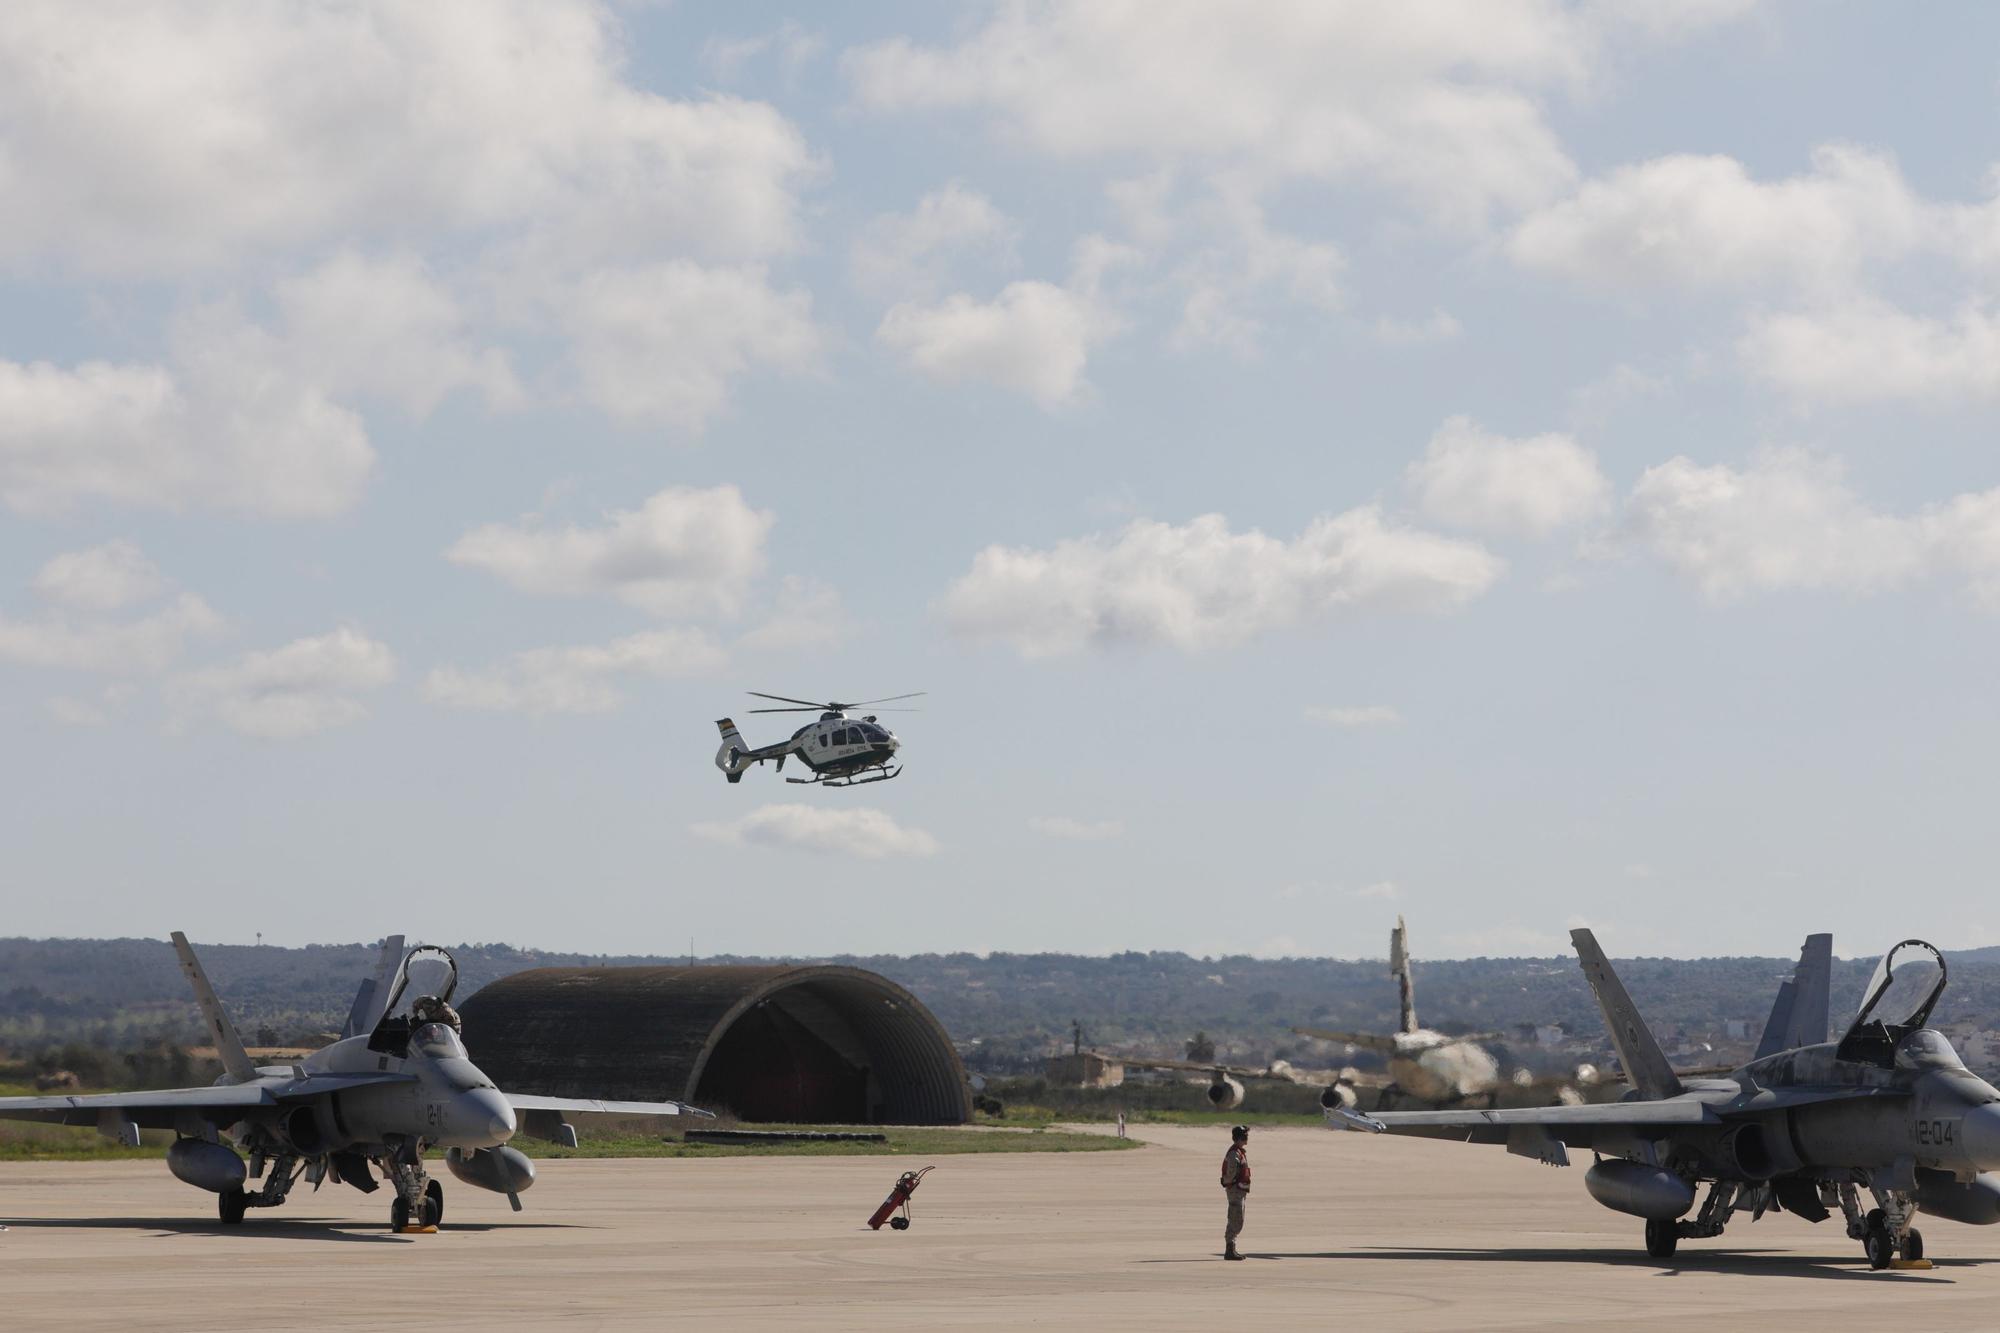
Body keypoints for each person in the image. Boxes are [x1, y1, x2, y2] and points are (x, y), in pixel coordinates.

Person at [1220, 1123, 1251, 1259]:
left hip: (1239, 1190)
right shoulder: (1234, 1153)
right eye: (1245, 1135)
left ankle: (1231, 1248)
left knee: (1238, 1219)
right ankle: (1229, 1249)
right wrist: (1229, 1182)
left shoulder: (1238, 1152)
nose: (1247, 1138)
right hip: (1235, 1190)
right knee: (1235, 1218)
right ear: (1240, 1137)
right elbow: (1231, 1171)